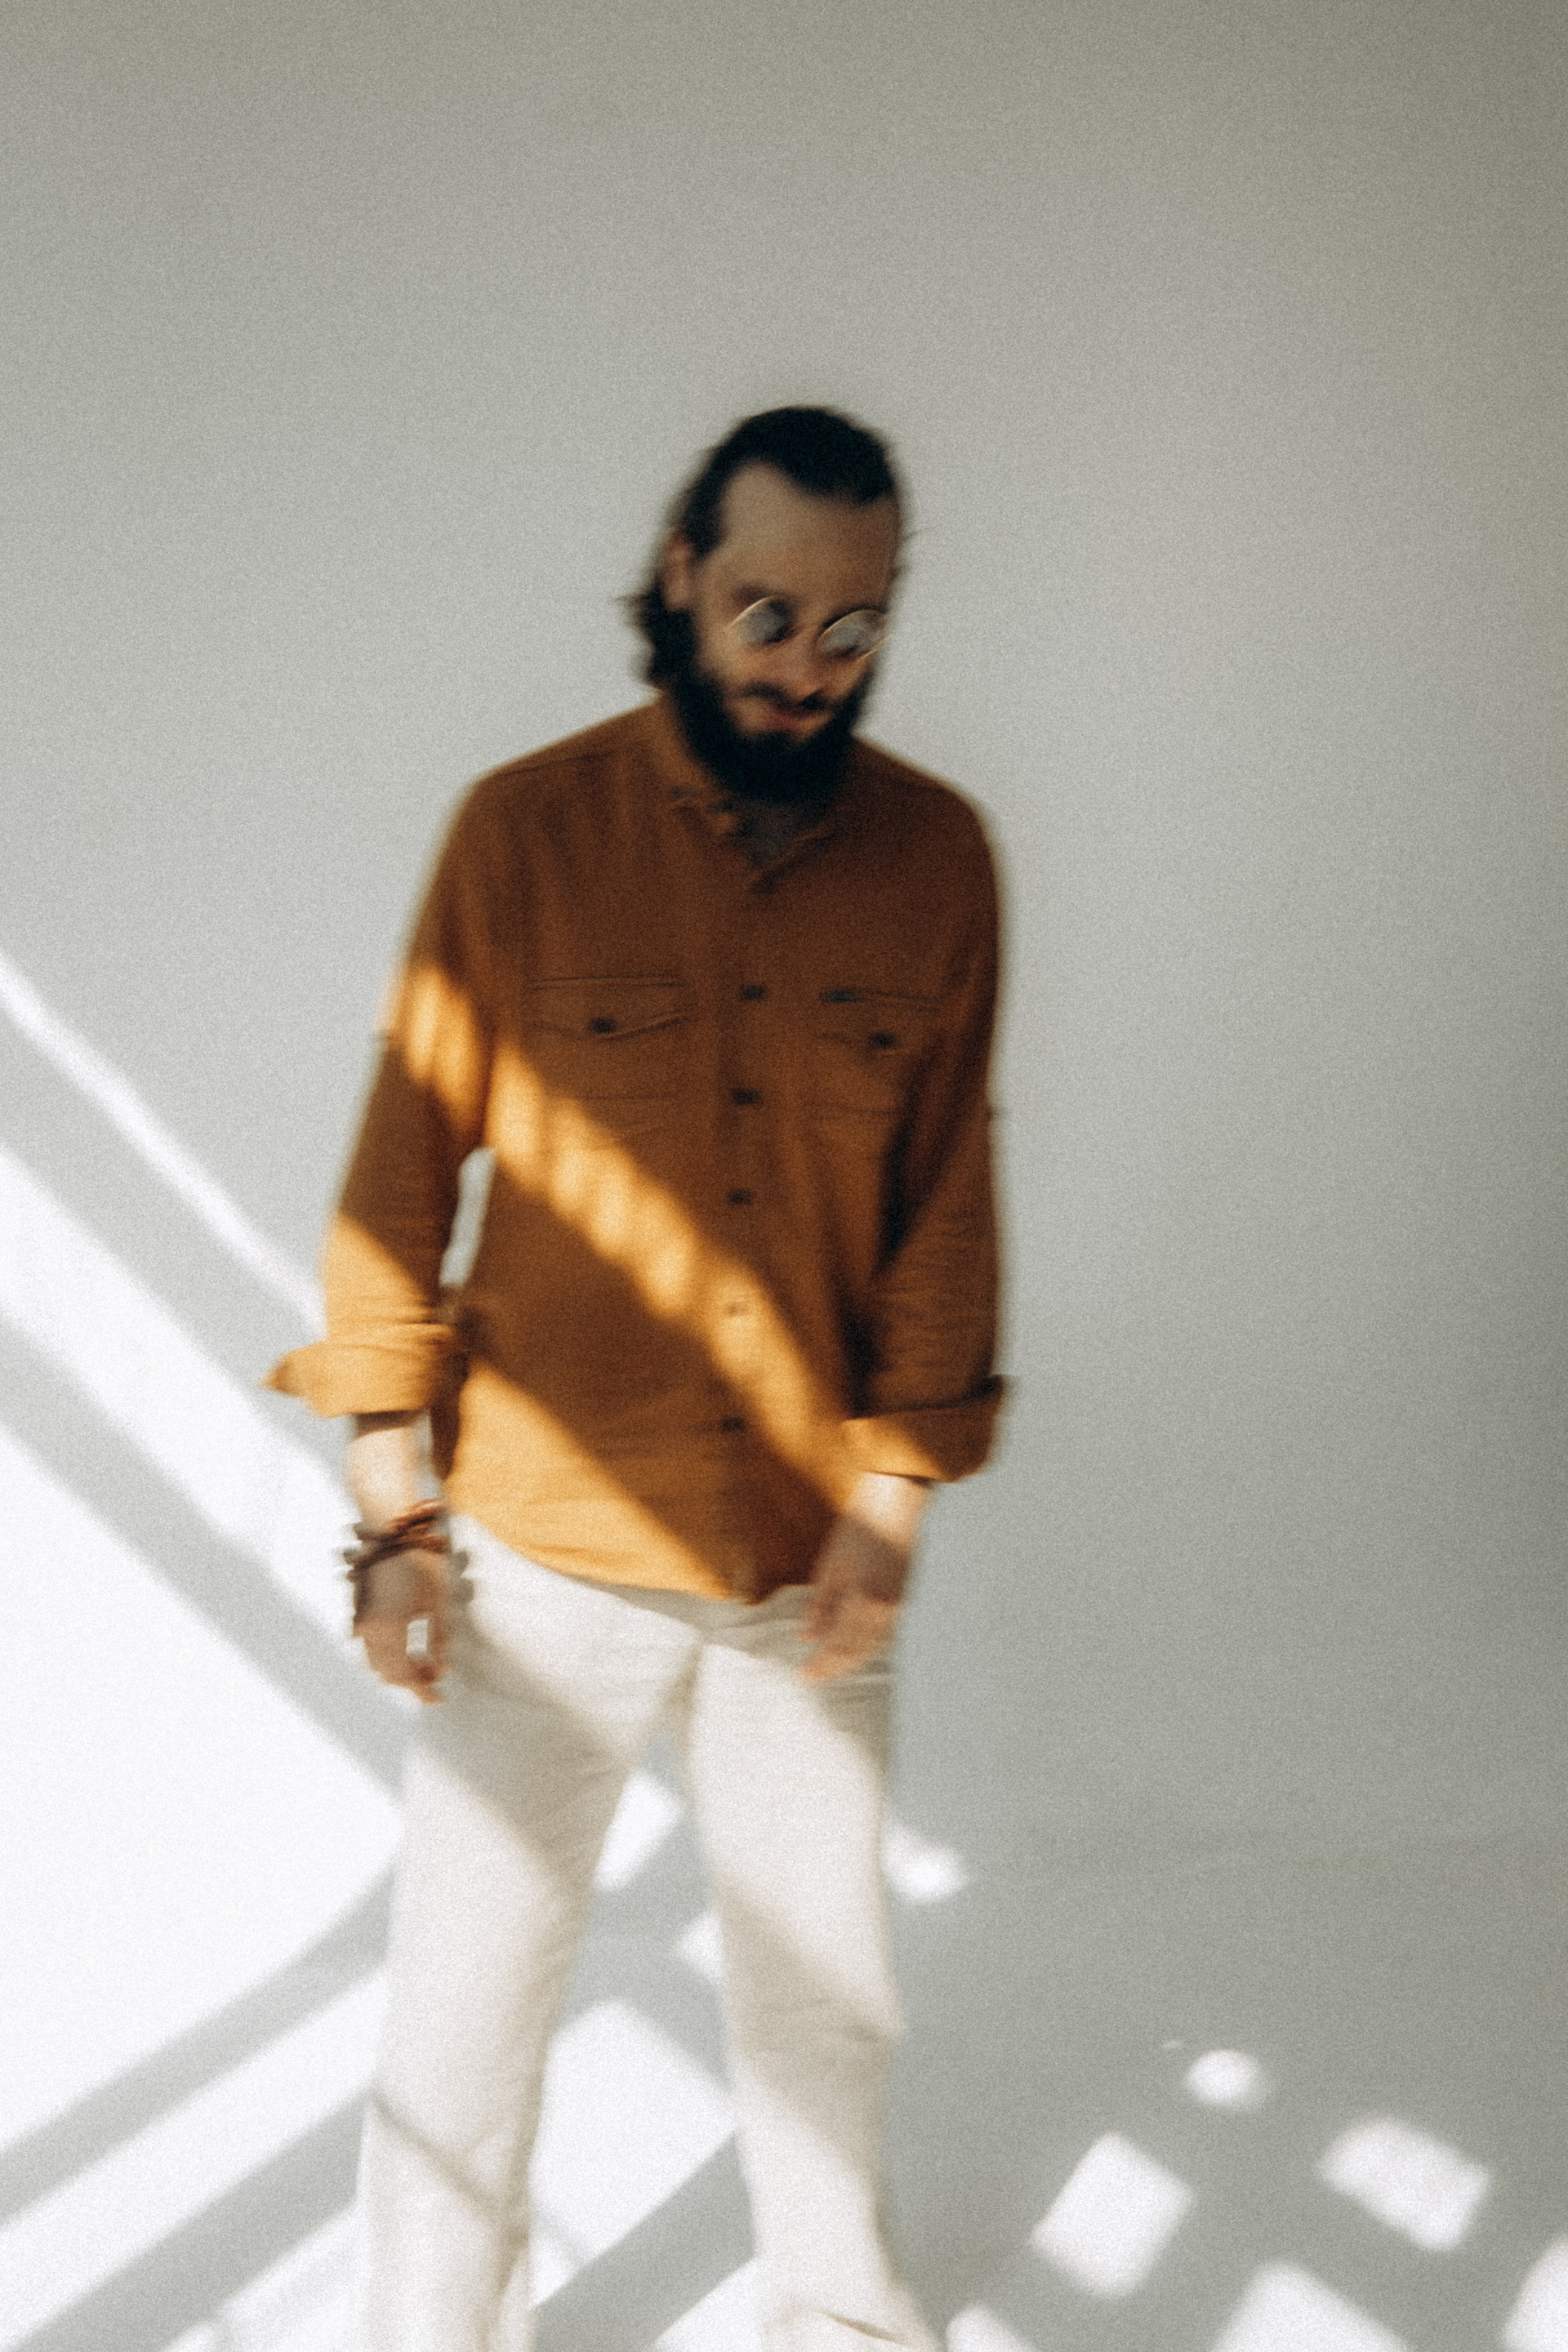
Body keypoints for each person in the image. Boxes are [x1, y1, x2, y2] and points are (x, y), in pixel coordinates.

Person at [267, 404, 1004, 2352]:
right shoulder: (522, 837)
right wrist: (395, 1519)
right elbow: (396, 1185)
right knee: (466, 2010)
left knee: (830, 2011)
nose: (806, 667)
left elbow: (945, 1206)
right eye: (767, 613)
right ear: (682, 576)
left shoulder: (940, 864)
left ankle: (840, 2324)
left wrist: (891, 1506)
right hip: (543, 1551)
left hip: (804, 1560)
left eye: (854, 629)